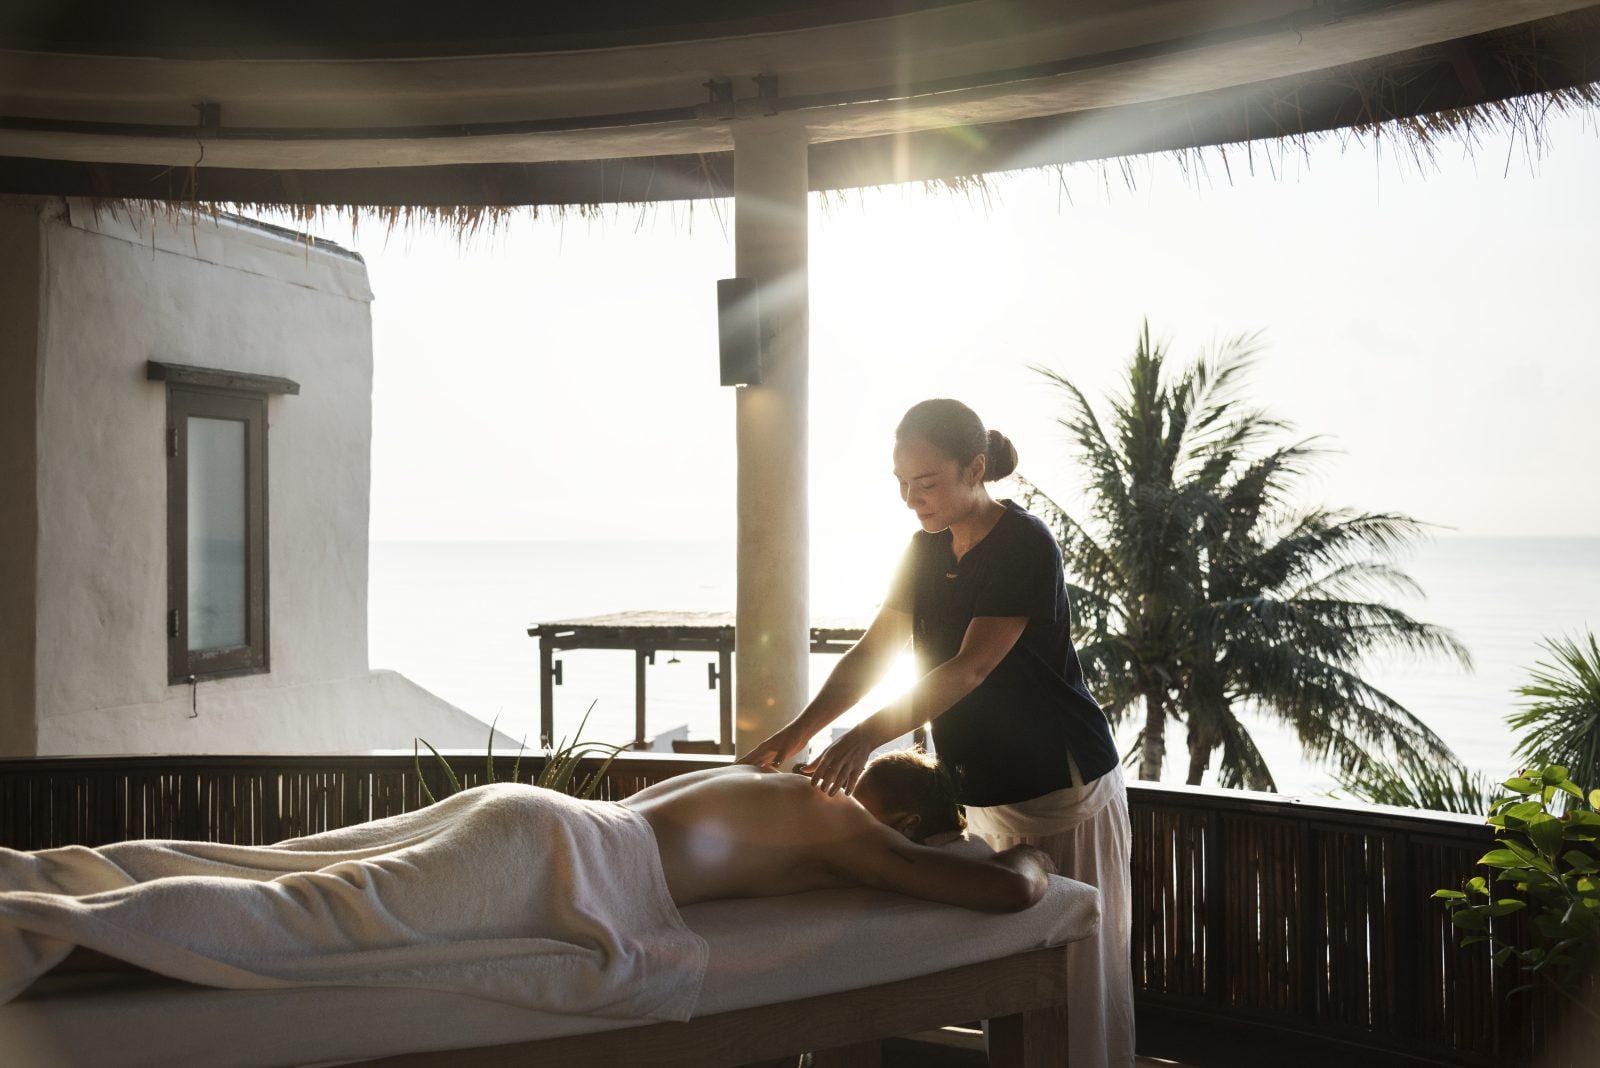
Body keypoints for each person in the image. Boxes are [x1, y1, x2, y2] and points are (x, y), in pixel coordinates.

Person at [739, 397, 1134, 1067]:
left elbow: (970, 668)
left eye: (926, 482)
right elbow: (873, 651)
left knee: (1078, 977)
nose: (910, 498)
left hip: (1063, 788)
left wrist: (864, 737)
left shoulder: (1024, 544)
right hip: (985, 790)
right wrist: (795, 735)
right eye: (900, 481)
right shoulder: (923, 550)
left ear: (974, 468)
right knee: (1010, 980)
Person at [43, 753, 1057, 980]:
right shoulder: (845, 823)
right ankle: (42, 929)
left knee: (263, 863)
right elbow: (993, 888)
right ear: (909, 812)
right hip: (553, 853)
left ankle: (48, 878)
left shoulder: (785, 790)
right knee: (309, 916)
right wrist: (1033, 854)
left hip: (534, 816)